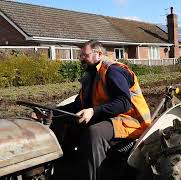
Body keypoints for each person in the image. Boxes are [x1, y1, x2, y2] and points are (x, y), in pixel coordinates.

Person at [33, 40, 151, 180]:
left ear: (99, 54)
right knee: (66, 123)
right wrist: (50, 112)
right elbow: (78, 105)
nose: (81, 58)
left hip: (131, 120)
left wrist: (93, 111)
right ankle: (61, 170)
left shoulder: (114, 71)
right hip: (109, 117)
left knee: (95, 132)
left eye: (85, 55)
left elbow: (124, 102)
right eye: (80, 55)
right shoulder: (91, 75)